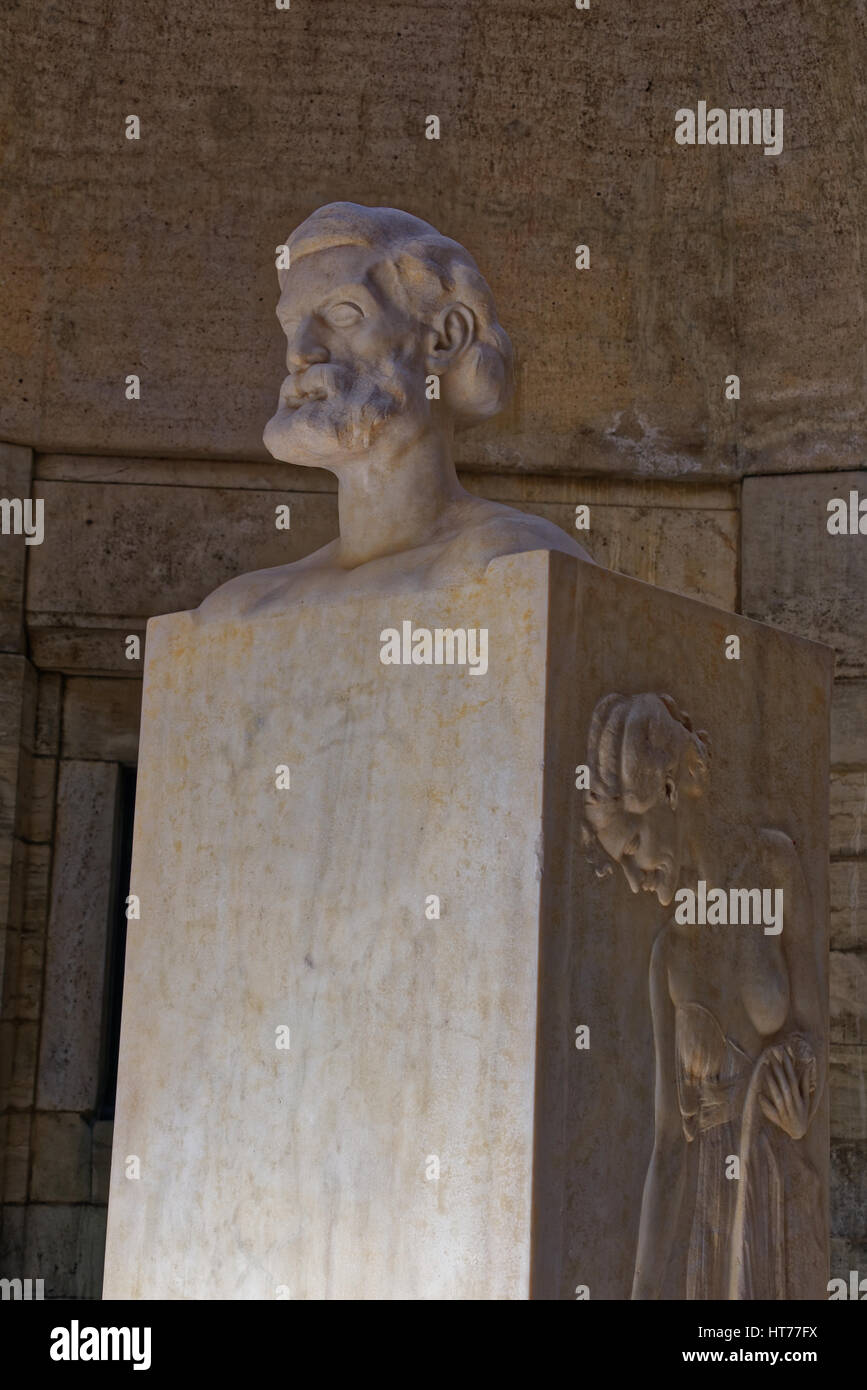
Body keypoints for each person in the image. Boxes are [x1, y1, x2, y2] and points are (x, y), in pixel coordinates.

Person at [583, 691, 825, 1300]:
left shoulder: (776, 866)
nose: (635, 879)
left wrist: (798, 1107)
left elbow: (813, 1035)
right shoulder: (670, 958)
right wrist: (640, 1293)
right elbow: (667, 1148)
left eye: (634, 847)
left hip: (784, 1197)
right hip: (717, 1220)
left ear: (666, 792)